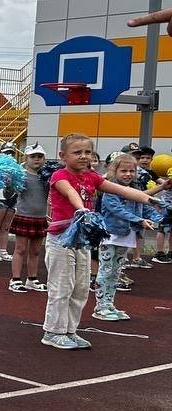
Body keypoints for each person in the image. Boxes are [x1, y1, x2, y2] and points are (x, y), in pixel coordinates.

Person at [41, 134, 165, 350]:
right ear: (63, 156)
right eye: (77, 152)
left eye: (87, 152)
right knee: (61, 286)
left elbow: (123, 190)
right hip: (61, 238)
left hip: (82, 239)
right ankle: (53, 331)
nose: (83, 156)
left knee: (80, 288)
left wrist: (151, 199)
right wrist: (82, 209)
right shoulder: (59, 175)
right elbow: (70, 192)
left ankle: (70, 330)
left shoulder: (92, 177)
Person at [92, 152, 159, 322]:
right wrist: (139, 220)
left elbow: (145, 207)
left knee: (116, 272)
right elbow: (117, 210)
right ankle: (100, 307)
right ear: (114, 171)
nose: (128, 174)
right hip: (109, 236)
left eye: (131, 171)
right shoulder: (110, 190)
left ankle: (109, 304)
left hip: (126, 236)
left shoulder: (135, 190)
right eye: (123, 171)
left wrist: (161, 216)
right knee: (105, 270)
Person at [8, 144, 49, 293]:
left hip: (40, 217)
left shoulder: (47, 177)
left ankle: (32, 279)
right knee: (20, 249)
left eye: (40, 156)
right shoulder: (21, 175)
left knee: (36, 251)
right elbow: (10, 190)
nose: (37, 159)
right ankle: (15, 279)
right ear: (26, 158)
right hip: (24, 216)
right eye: (33, 156)